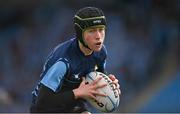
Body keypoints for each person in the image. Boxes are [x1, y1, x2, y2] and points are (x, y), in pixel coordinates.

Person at [30, 7, 121, 113]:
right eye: (91, 31)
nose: (98, 36)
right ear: (80, 33)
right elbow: (42, 102)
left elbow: (99, 74)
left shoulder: (101, 53)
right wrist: (77, 92)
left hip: (73, 103)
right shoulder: (63, 61)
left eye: (101, 29)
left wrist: (109, 83)